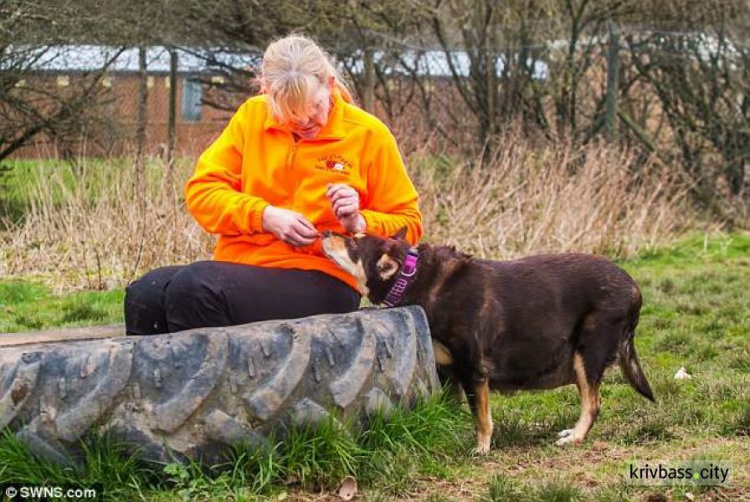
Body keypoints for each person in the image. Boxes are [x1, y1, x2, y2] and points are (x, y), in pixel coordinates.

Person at [124, 34, 422, 335]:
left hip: (324, 276)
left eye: (315, 108)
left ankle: (230, 381)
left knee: (194, 289)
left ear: (329, 84)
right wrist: (264, 216)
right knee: (145, 295)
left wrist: (359, 221)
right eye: (291, 115)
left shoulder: (369, 135)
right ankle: (153, 383)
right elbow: (203, 192)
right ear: (267, 93)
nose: (307, 122)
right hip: (242, 266)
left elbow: (409, 224)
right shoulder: (251, 117)